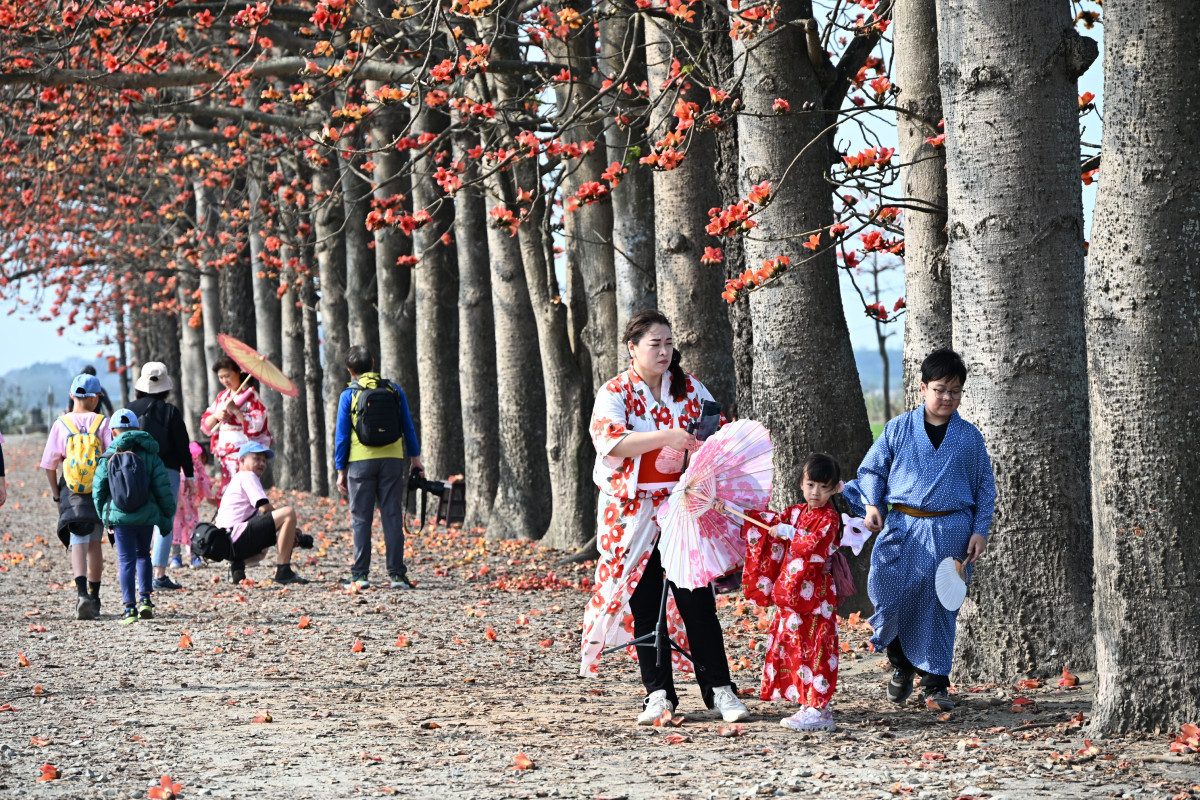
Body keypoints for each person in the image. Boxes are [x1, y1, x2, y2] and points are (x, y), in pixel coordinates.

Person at [580, 309, 749, 725]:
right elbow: (610, 442)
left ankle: (720, 689)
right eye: (655, 344)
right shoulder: (615, 392)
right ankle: (658, 692)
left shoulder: (690, 388)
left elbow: (716, 432)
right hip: (634, 511)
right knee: (645, 598)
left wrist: (697, 451)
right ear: (632, 349)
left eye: (669, 343)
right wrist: (667, 437)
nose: (664, 351)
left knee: (697, 599)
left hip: (682, 507)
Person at [842, 348, 996, 712]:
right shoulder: (897, 428)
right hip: (903, 526)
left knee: (941, 604)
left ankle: (936, 684)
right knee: (886, 593)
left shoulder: (970, 438)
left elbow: (985, 487)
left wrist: (980, 530)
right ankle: (900, 664)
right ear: (923, 387)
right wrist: (872, 505)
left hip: (952, 530)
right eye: (940, 389)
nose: (946, 398)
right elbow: (871, 471)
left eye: (955, 391)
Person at [719, 453, 844, 732]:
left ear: (835, 488)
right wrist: (729, 508)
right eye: (811, 484)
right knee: (796, 648)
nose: (816, 492)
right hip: (793, 595)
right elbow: (765, 523)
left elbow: (811, 546)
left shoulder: (829, 519)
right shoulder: (797, 512)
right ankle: (808, 703)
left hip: (817, 597)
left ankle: (819, 707)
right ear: (801, 483)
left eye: (824, 487)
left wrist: (789, 532)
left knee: (817, 647)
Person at [334, 345, 423, 590]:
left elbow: (342, 436)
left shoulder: (349, 395)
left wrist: (340, 470)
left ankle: (360, 575)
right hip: (393, 460)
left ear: (350, 371)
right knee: (392, 516)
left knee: (361, 518)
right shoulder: (394, 390)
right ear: (373, 362)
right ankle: (396, 575)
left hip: (359, 462)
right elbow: (408, 426)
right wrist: (415, 459)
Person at [92, 409, 177, 625]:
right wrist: (167, 512)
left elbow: (98, 491)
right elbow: (162, 488)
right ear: (138, 429)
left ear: (112, 432)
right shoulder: (150, 455)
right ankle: (146, 601)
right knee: (143, 556)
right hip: (146, 517)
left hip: (121, 519)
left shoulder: (108, 456)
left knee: (125, 560)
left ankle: (129, 608)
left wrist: (106, 517)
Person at [41, 374, 113, 619]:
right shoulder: (102, 423)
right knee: (95, 544)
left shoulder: (62, 423)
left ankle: (81, 594)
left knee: (77, 543)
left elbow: (50, 464)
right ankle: (95, 597)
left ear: (72, 396)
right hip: (96, 490)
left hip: (71, 490)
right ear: (96, 398)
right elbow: (111, 459)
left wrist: (56, 495)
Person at [127, 362, 194, 590]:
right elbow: (183, 447)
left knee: (138, 518)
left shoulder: (130, 410)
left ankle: (138, 573)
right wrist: (191, 476)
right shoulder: (170, 412)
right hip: (168, 471)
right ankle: (160, 574)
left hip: (135, 470)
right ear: (165, 387)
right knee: (164, 521)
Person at [214, 441, 309, 585]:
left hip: (225, 542)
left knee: (263, 550)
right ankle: (284, 571)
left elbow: (260, 516)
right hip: (234, 536)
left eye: (264, 460)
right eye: (257, 459)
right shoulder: (247, 476)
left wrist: (288, 533)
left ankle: (238, 564)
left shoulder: (237, 479)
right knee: (288, 513)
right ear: (242, 460)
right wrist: (290, 527)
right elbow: (264, 508)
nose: (262, 463)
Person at [199, 357, 272, 491]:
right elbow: (206, 425)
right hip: (226, 451)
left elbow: (258, 425)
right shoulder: (222, 397)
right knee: (228, 487)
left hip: (245, 451)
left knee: (244, 488)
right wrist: (216, 415)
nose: (224, 381)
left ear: (238, 372)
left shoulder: (252, 396)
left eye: (227, 376)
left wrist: (236, 411)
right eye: (221, 377)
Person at [173, 442, 217, 567]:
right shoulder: (195, 462)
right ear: (200, 455)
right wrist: (208, 496)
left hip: (174, 495)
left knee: (174, 524)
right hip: (189, 495)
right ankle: (194, 557)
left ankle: (176, 558)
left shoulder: (175, 459)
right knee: (192, 525)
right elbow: (204, 480)